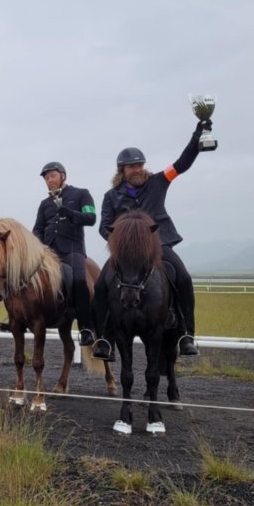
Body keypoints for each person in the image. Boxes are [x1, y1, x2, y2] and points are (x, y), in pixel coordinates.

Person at [92, 118, 209, 360]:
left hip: (160, 245)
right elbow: (104, 227)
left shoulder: (159, 181)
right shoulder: (111, 196)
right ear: (122, 170)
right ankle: (104, 339)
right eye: (132, 166)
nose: (138, 169)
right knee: (101, 285)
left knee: (184, 278)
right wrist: (120, 243)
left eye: (140, 165)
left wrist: (198, 136)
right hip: (126, 254)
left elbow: (182, 163)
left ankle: (187, 334)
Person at [31, 161, 97, 346]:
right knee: (25, 276)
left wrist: (71, 214)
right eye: (46, 178)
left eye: (52, 176)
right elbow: (37, 229)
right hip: (48, 252)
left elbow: (91, 218)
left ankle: (85, 327)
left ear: (63, 176)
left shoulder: (81, 194)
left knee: (80, 280)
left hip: (72, 249)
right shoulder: (44, 204)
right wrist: (40, 246)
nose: (49, 180)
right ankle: (18, 316)